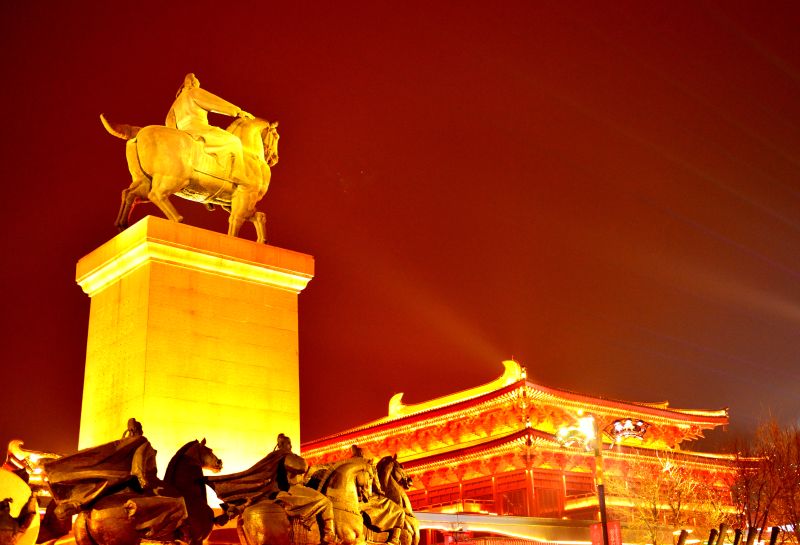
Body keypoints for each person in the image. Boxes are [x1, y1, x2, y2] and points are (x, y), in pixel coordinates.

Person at [208, 434, 335, 543]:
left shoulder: (273, 457)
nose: (291, 446)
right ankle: (329, 534)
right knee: (325, 502)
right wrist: (293, 455)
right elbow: (301, 467)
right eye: (289, 443)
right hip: (292, 489)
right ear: (283, 444)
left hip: (280, 491)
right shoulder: (285, 455)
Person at [165, 73, 253, 184]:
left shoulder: (175, 104)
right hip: (199, 129)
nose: (198, 84)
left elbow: (169, 124)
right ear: (193, 83)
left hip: (183, 134)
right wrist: (237, 111)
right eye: (197, 82)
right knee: (234, 141)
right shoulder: (194, 92)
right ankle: (238, 173)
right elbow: (215, 103)